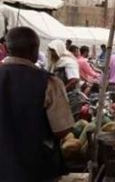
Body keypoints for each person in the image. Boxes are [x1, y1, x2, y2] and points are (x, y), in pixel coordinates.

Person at [0, 27, 74, 181]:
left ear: (6, 48)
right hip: (35, 169)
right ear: (35, 49)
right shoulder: (49, 82)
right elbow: (62, 129)